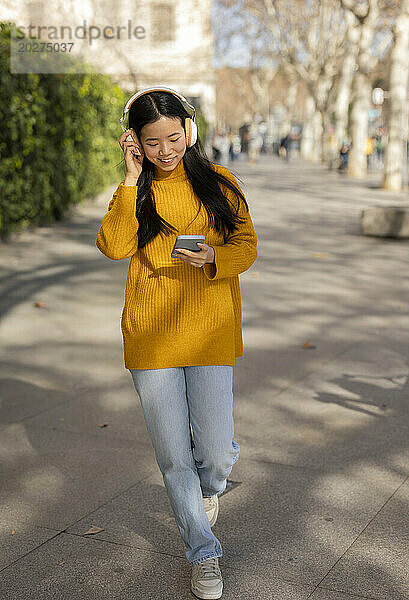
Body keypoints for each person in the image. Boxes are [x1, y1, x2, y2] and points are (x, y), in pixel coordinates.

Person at [95, 87, 258, 599]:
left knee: (213, 452)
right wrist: (127, 178)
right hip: (152, 335)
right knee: (173, 457)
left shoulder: (220, 182)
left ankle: (209, 490)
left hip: (209, 328)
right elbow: (114, 246)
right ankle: (203, 552)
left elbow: (247, 245)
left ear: (188, 130)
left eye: (172, 136)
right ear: (135, 143)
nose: (165, 150)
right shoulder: (136, 190)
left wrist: (213, 259)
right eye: (151, 141)